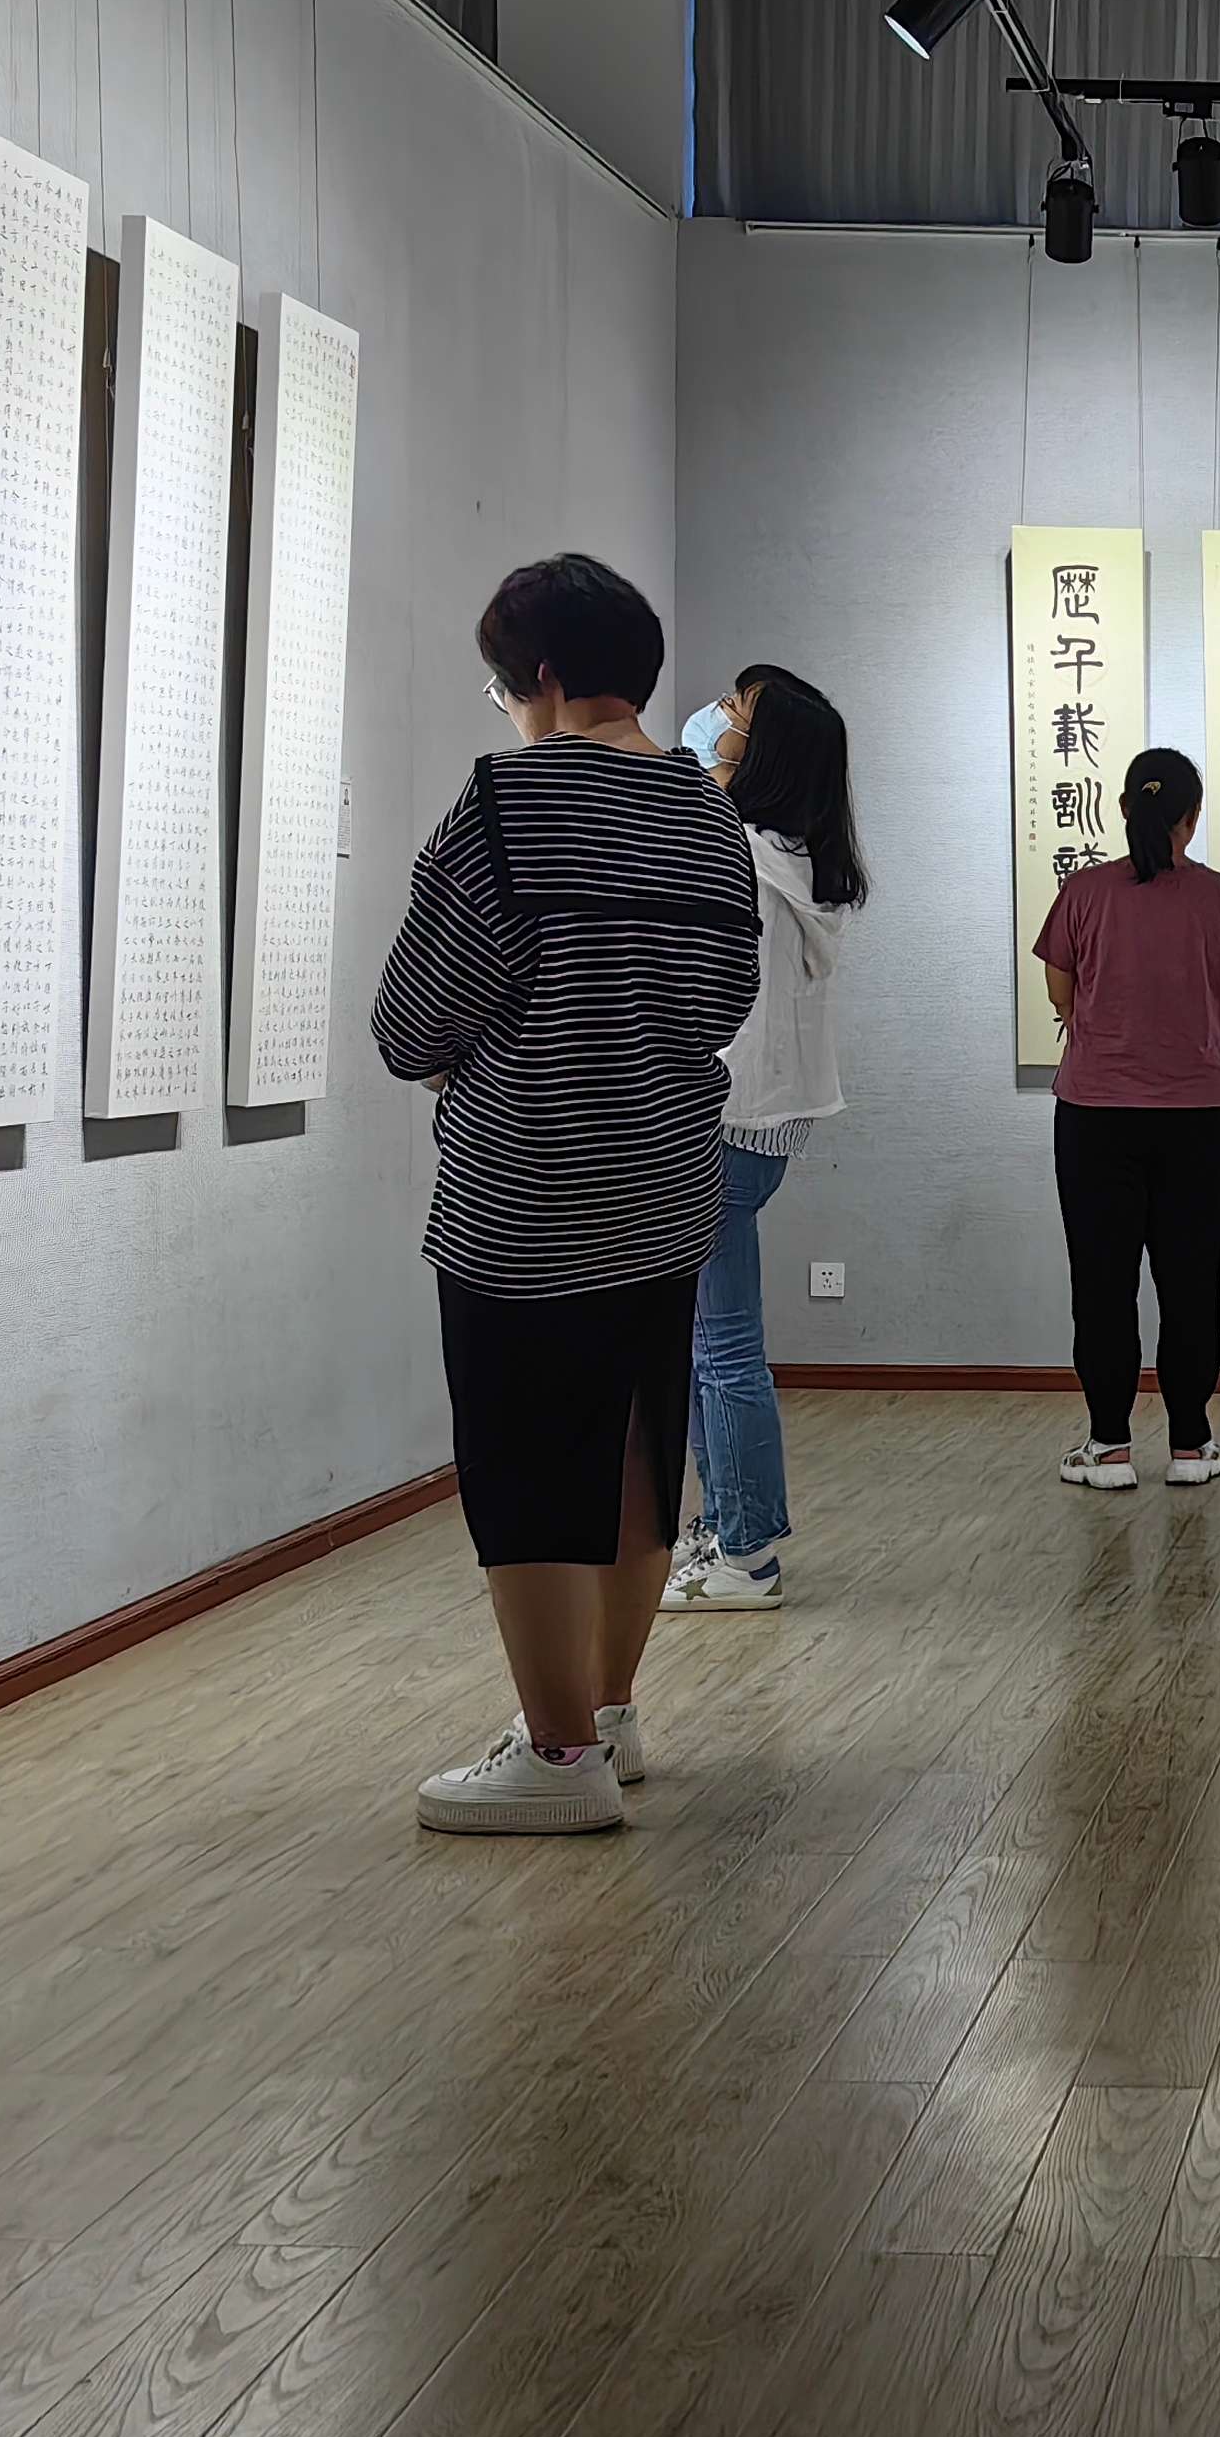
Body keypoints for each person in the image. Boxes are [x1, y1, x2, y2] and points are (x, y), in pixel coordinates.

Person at [373, 556, 759, 1833]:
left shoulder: (506, 798)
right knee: (640, 1453)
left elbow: (411, 1021)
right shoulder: (706, 812)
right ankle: (607, 1714)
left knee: (527, 1463)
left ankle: (554, 1761)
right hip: (666, 1184)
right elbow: (727, 1000)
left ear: (537, 679)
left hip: (525, 1196)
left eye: (504, 688)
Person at [665, 665, 864, 1615]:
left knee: (722, 1345)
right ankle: (719, 1532)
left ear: (765, 748)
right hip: (764, 1123)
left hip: (720, 1116)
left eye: (735, 711)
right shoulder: (802, 860)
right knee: (709, 1342)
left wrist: (702, 777)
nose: (717, 718)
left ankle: (745, 1554)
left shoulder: (741, 853)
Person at [1034, 747, 1220, 1491]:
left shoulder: (1083, 892)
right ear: (1191, 818)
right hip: (1195, 1115)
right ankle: (1191, 1444)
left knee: (1101, 1281)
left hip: (1094, 1115)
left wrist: (1105, 1027)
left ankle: (1108, 1447)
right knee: (1192, 1280)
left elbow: (1060, 991)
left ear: (1123, 808)